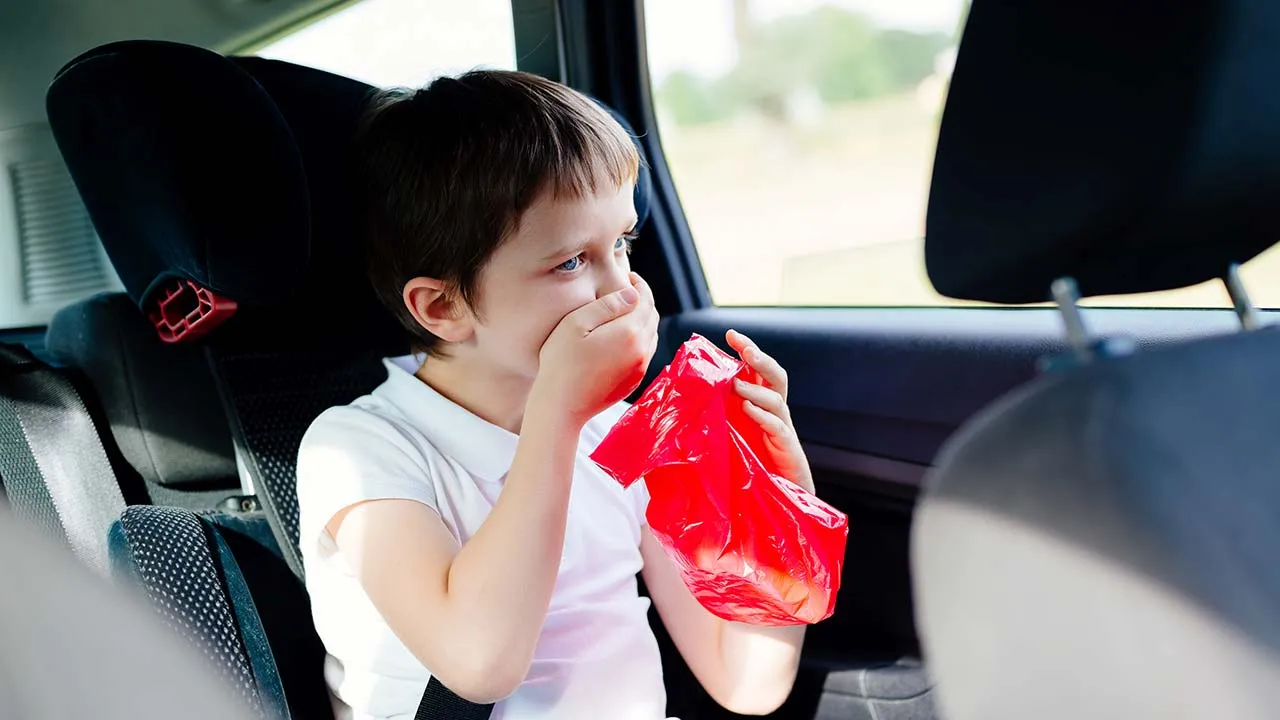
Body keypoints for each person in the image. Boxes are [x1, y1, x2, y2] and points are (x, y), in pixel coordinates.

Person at [296, 70, 819, 720]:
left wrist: (780, 498)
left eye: (622, 243)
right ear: (443, 307)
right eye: (570, 261)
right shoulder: (357, 450)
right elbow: (480, 665)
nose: (623, 288)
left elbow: (746, 680)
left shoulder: (618, 433)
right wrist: (558, 413)